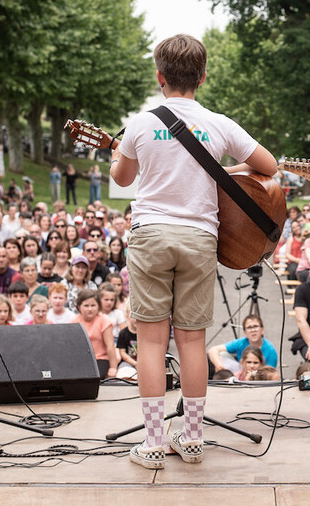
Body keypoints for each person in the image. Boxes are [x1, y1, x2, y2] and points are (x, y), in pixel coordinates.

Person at [109, 34, 278, 469]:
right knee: (192, 340)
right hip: (200, 238)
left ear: (160, 77)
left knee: (150, 340)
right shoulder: (218, 123)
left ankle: (151, 443)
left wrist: (117, 154)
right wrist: (227, 168)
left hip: (150, 234)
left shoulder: (141, 124)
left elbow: (124, 179)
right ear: (202, 77)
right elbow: (270, 166)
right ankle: (194, 438)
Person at [207, 314, 278, 374]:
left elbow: (270, 374)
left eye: (255, 326)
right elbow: (213, 350)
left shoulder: (270, 350)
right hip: (241, 373)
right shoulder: (241, 343)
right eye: (249, 327)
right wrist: (219, 366)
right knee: (222, 354)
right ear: (245, 333)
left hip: (260, 378)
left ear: (262, 330)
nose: (253, 330)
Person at [71, 289, 117, 379]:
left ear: (98, 306)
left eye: (93, 305)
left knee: (94, 376)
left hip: (100, 359)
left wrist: (113, 367)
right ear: (79, 307)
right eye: (86, 306)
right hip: (81, 359)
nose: (90, 309)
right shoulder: (75, 321)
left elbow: (110, 346)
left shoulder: (104, 321)